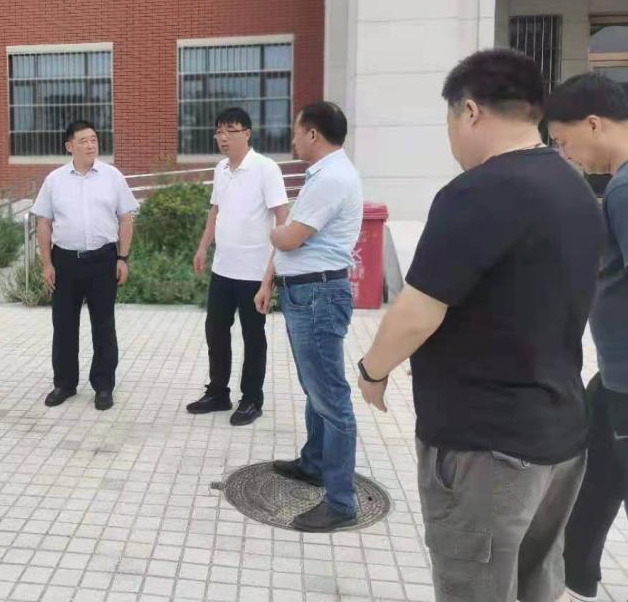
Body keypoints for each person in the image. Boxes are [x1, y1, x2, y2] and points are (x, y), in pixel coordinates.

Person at [357, 49, 603, 602]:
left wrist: (372, 371)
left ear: (469, 111)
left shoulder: (476, 192)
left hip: (487, 448)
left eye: (449, 121)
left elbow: (418, 311)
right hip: (560, 437)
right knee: (536, 584)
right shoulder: (576, 188)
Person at [254, 101, 363, 532]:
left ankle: (341, 502)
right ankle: (314, 463)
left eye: (297, 131)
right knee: (316, 389)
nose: (293, 138)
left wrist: (272, 230)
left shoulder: (332, 178)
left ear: (313, 134)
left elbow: (291, 237)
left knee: (331, 399)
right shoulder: (326, 175)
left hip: (317, 295)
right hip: (309, 292)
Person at [545, 72, 628, 602]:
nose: (565, 154)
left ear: (594, 124)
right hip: (614, 379)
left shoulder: (625, 188)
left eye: (563, 140)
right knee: (593, 476)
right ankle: (575, 578)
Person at [187, 107, 289, 426]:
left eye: (230, 131)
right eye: (219, 131)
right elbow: (215, 211)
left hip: (254, 272)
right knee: (216, 331)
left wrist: (270, 277)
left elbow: (283, 219)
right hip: (223, 269)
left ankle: (252, 399)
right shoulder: (221, 169)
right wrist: (203, 247)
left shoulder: (266, 169)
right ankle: (218, 392)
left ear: (246, 133)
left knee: (253, 337)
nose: (223, 137)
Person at [31, 120, 138, 411]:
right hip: (65, 261)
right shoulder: (54, 180)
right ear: (69, 146)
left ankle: (103, 386)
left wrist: (122, 258)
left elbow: (126, 218)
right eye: (83, 141)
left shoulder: (112, 176)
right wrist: (47, 263)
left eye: (94, 139)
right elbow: (44, 223)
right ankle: (64, 384)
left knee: (104, 325)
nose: (91, 145)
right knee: (64, 325)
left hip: (103, 260)